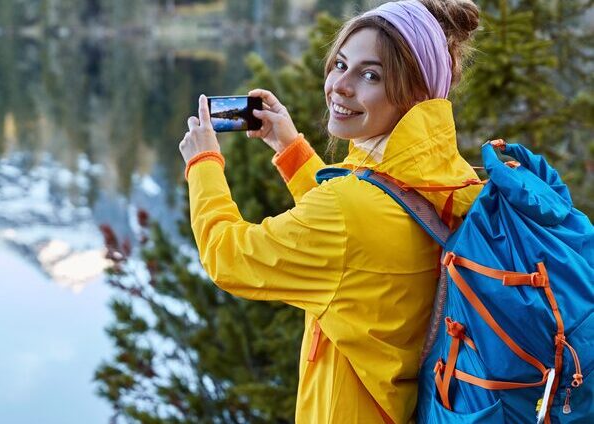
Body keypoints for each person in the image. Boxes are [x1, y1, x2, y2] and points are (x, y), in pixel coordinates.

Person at [178, 0, 481, 422]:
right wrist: (290, 149)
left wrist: (203, 163)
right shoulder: (448, 178)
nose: (341, 85)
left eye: (370, 75)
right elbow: (362, 237)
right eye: (340, 64)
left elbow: (228, 257)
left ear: (415, 95)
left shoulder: (348, 209)